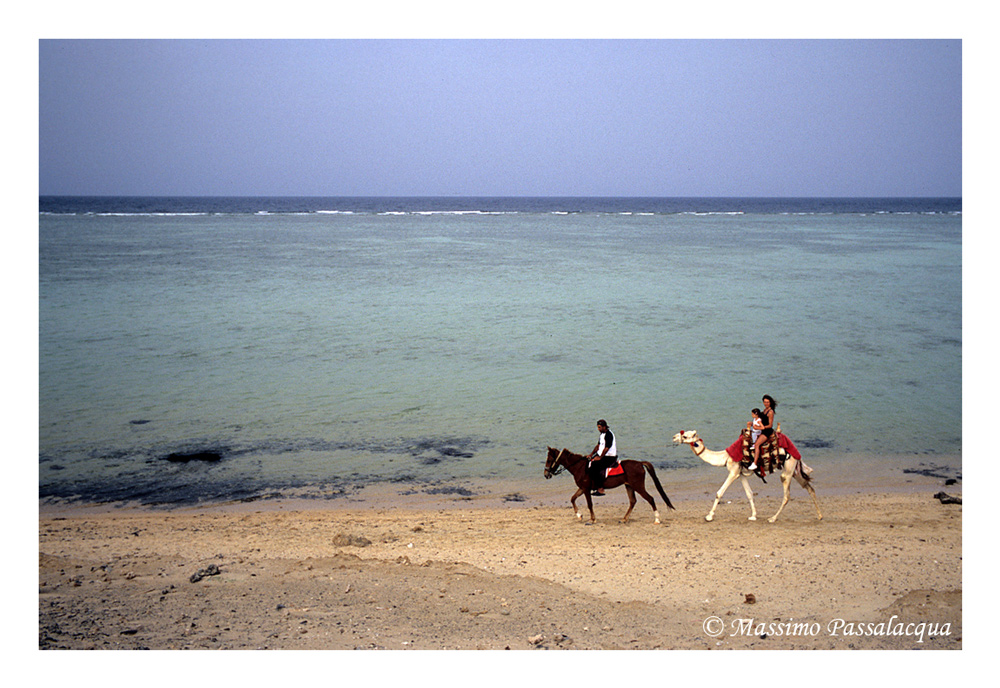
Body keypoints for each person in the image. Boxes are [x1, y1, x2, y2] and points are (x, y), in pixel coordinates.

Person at [587, 419, 618, 496]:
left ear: (604, 427)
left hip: (609, 456)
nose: (598, 429)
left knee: (595, 465)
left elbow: (607, 448)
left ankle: (600, 488)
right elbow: (598, 446)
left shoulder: (609, 435)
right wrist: (591, 455)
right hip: (602, 455)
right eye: (598, 427)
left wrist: (600, 457)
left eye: (600, 427)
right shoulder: (601, 435)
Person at [752, 395, 777, 470]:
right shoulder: (765, 410)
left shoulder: (770, 412)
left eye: (767, 402)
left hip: (767, 431)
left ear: (770, 402)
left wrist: (759, 427)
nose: (766, 403)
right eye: (765, 402)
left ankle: (755, 463)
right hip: (762, 430)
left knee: (757, 444)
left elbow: (770, 425)